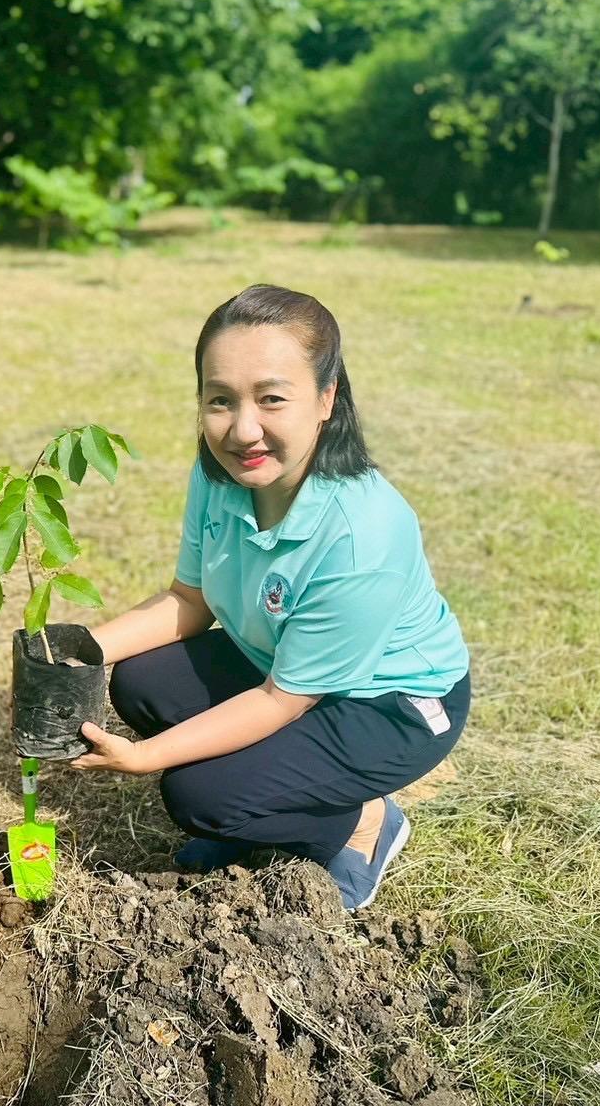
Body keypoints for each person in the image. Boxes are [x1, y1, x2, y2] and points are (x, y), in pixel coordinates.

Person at [71, 284, 470, 912]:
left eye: (272, 399)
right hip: (285, 665)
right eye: (220, 401)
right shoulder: (221, 475)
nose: (243, 430)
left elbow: (282, 701)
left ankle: (360, 821)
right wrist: (75, 650)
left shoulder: (362, 533)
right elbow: (190, 598)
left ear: (326, 398)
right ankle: (273, 799)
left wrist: (146, 756)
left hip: (391, 705)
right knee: (138, 682)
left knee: (201, 799)